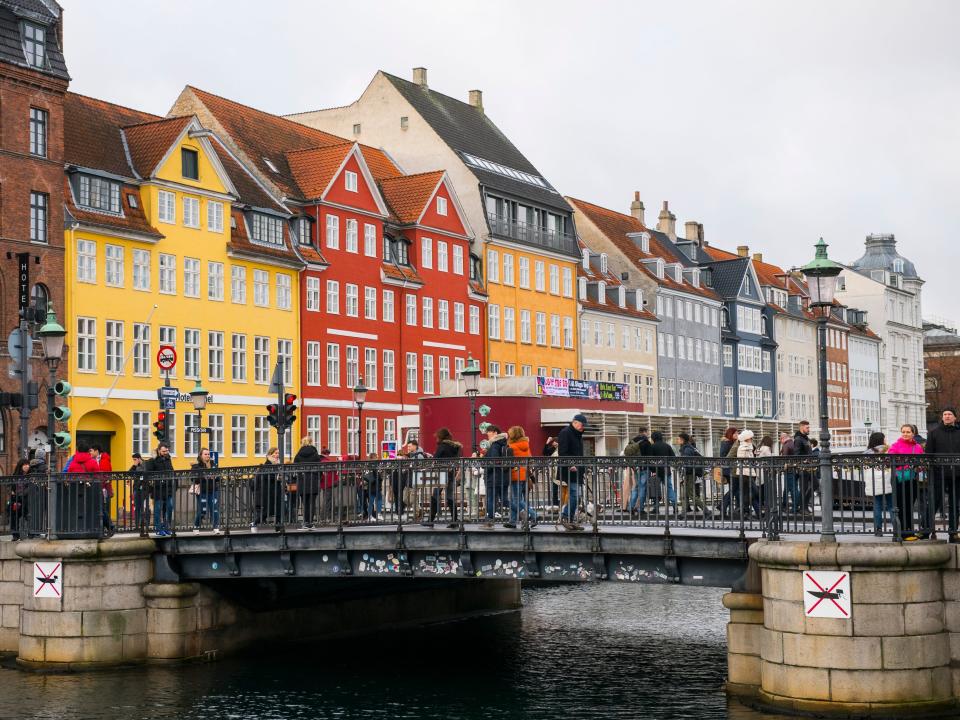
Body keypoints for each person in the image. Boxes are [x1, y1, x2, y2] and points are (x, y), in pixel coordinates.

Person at [925, 408, 960, 542]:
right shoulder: (934, 433)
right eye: (944, 414)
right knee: (934, 502)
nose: (946, 416)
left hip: (957, 474)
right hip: (939, 474)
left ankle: (953, 533)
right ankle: (927, 530)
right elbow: (929, 454)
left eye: (949, 414)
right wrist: (932, 472)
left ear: (954, 418)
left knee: (954, 504)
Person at [888, 424, 925, 541]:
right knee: (899, 506)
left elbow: (922, 464)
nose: (905, 434)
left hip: (912, 479)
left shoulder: (918, 447)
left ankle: (909, 531)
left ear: (913, 433)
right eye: (903, 432)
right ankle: (900, 532)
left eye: (908, 432)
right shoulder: (895, 445)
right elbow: (890, 460)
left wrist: (918, 467)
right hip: (899, 480)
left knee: (909, 505)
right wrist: (906, 463)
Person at [557, 414, 586, 530]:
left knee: (576, 496)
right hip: (569, 469)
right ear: (575, 422)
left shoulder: (577, 434)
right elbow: (563, 452)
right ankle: (566, 517)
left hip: (576, 469)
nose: (583, 427)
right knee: (574, 495)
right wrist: (571, 464)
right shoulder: (565, 433)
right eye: (582, 425)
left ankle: (569, 519)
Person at [506, 425, 537, 529]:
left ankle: (534, 515)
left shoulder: (511, 446)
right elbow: (530, 460)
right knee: (517, 499)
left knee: (516, 499)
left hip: (515, 474)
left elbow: (508, 461)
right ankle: (512, 521)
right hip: (524, 474)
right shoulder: (526, 445)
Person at [430, 428, 462, 528]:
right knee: (449, 497)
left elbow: (435, 459)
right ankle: (454, 520)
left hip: (442, 473)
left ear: (440, 437)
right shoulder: (455, 447)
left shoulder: (442, 446)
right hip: (451, 473)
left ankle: (430, 520)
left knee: (435, 494)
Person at [865, 432, 893, 534]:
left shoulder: (868, 452)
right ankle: (896, 527)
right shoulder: (889, 450)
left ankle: (878, 529)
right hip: (888, 479)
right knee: (891, 505)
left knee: (877, 505)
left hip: (875, 481)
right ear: (882, 440)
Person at [144, 443, 174, 536]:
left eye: (167, 451)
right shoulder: (153, 460)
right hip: (158, 489)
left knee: (169, 507)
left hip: (168, 488)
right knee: (158, 508)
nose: (165, 453)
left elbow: (172, 471)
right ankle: (158, 528)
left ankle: (166, 527)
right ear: (159, 451)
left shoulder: (168, 459)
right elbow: (148, 473)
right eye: (164, 451)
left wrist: (173, 484)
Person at [482, 425, 509, 528]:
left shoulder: (494, 445)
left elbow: (494, 461)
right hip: (503, 476)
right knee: (505, 500)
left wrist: (485, 467)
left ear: (494, 432)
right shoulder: (503, 443)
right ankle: (525, 512)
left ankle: (489, 520)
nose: (487, 434)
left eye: (488, 432)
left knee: (490, 499)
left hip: (493, 477)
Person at [190, 448, 221, 533]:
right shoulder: (196, 466)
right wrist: (204, 477)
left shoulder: (213, 464)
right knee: (202, 510)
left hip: (213, 490)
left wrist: (216, 477)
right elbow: (193, 479)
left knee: (214, 509)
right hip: (202, 491)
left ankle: (215, 527)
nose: (207, 456)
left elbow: (219, 478)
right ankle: (196, 526)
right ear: (201, 456)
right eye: (205, 454)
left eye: (208, 454)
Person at [252, 447, 283, 531]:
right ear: (270, 454)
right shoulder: (267, 463)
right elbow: (266, 475)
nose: (277, 455)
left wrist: (279, 477)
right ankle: (254, 523)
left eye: (278, 453)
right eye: (275, 453)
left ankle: (278, 527)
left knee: (279, 509)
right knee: (267, 511)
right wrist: (277, 477)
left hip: (276, 489)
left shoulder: (276, 464)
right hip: (268, 490)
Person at [294, 437, 321, 529]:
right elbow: (320, 468)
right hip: (313, 480)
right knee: (312, 502)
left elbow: (295, 467)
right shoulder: (315, 454)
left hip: (302, 481)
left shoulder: (298, 455)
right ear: (311, 442)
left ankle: (305, 522)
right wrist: (318, 477)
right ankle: (311, 522)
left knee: (305, 502)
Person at [735, 430, 761, 518]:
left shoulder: (750, 447)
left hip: (750, 472)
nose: (752, 439)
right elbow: (742, 460)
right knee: (754, 491)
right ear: (746, 439)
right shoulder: (742, 447)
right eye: (750, 438)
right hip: (745, 473)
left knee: (748, 492)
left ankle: (744, 510)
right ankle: (743, 508)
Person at [90, 444, 115, 537]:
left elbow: (106, 475)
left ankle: (110, 526)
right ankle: (105, 528)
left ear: (97, 451)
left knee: (102, 509)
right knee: (101, 509)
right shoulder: (93, 460)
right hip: (97, 487)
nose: (90, 453)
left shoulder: (104, 461)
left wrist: (101, 484)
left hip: (103, 489)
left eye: (91, 451)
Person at [677, 432, 705, 514]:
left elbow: (687, 462)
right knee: (685, 493)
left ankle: (705, 510)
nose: (677, 440)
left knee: (691, 494)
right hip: (688, 473)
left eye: (678, 439)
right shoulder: (686, 448)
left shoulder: (687, 449)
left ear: (682, 440)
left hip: (689, 473)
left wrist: (683, 471)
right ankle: (684, 510)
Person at [8, 458, 31, 540]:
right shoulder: (15, 476)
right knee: (14, 516)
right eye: (25, 465)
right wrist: (12, 492)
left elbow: (30, 488)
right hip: (16, 499)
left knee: (28, 515)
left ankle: (30, 533)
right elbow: (11, 487)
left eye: (28, 464)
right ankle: (15, 534)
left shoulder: (30, 476)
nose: (27, 466)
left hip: (26, 499)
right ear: (20, 466)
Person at [779, 432, 800, 513]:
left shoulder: (786, 445)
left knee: (793, 489)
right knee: (787, 488)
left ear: (783, 438)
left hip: (789, 470)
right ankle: (784, 505)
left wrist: (782, 468)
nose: (780, 441)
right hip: (795, 469)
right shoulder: (793, 443)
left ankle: (795, 508)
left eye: (780, 439)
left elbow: (784, 458)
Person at [128, 453, 149, 534]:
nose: (134, 461)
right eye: (133, 460)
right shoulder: (135, 466)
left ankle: (144, 525)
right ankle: (137, 525)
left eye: (135, 459)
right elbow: (129, 473)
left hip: (144, 489)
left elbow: (145, 474)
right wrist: (134, 465)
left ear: (139, 458)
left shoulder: (145, 464)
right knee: (137, 507)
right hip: (136, 488)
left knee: (144, 507)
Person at [542, 436, 560, 507]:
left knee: (563, 489)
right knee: (554, 489)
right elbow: (544, 453)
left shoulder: (562, 449)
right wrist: (547, 442)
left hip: (560, 470)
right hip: (553, 472)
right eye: (553, 443)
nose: (554, 444)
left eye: (555, 443)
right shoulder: (553, 449)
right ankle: (555, 505)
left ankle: (563, 505)